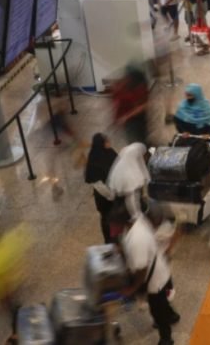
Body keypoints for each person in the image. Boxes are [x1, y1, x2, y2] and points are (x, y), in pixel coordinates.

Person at [107, 203, 181, 345]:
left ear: (121, 222)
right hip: (158, 268)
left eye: (113, 224)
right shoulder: (134, 222)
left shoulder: (137, 239)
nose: (113, 228)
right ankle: (172, 315)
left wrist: (132, 288)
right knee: (160, 304)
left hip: (154, 279)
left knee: (157, 310)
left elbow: (142, 270)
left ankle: (166, 338)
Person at [85, 134, 118, 244]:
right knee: (107, 219)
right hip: (105, 198)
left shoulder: (109, 152)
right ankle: (109, 240)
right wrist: (111, 195)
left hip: (114, 192)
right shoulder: (94, 162)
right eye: (107, 142)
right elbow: (98, 185)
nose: (109, 143)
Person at [106, 143, 150, 218]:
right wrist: (137, 216)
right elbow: (132, 200)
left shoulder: (126, 160)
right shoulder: (130, 177)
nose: (144, 160)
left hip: (119, 194)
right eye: (144, 156)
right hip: (128, 211)